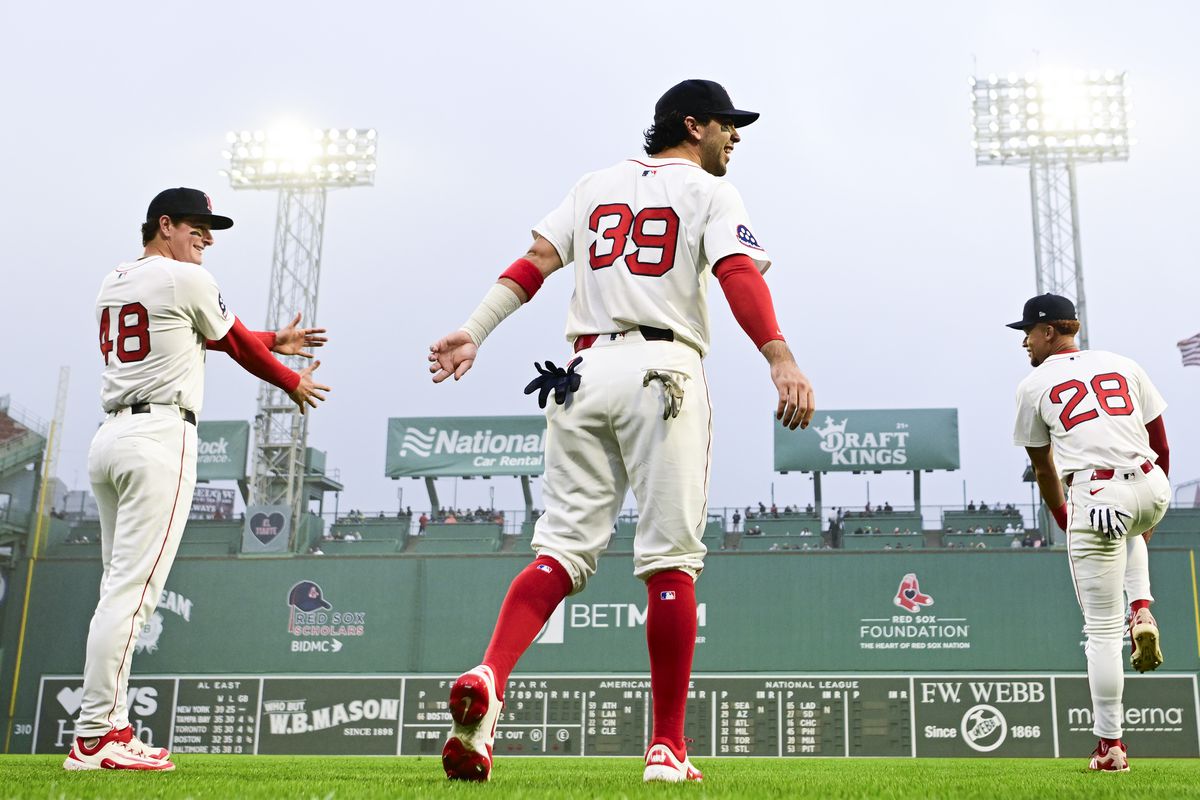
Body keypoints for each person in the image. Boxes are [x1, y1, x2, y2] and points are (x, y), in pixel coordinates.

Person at [428, 79, 813, 783]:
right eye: (727, 125)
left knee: (562, 550)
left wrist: (474, 329)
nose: (735, 137)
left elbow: (536, 263)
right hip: (663, 368)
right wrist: (779, 356)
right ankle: (666, 747)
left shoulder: (594, 183)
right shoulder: (707, 190)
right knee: (669, 561)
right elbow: (734, 272)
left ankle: (491, 674)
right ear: (692, 125)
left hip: (580, 373)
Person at [67, 188, 329, 772]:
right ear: (165, 225)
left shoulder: (116, 279)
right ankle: (95, 736)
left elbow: (206, 333)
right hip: (159, 435)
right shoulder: (184, 280)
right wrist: (288, 377)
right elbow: (230, 341)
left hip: (111, 437)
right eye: (197, 226)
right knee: (133, 596)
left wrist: (270, 339)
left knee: (119, 592)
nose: (208, 238)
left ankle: (106, 726)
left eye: (211, 229)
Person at [1009, 293, 1170, 772]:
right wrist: (1153, 506)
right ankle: (1141, 607)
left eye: (1028, 332)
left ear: (1051, 331)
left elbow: (1043, 469)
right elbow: (1159, 438)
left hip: (1097, 496)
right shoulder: (1123, 363)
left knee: (1100, 634)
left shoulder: (1033, 384)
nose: (1024, 342)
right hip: (1150, 482)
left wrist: (1064, 517)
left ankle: (1111, 747)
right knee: (1130, 532)